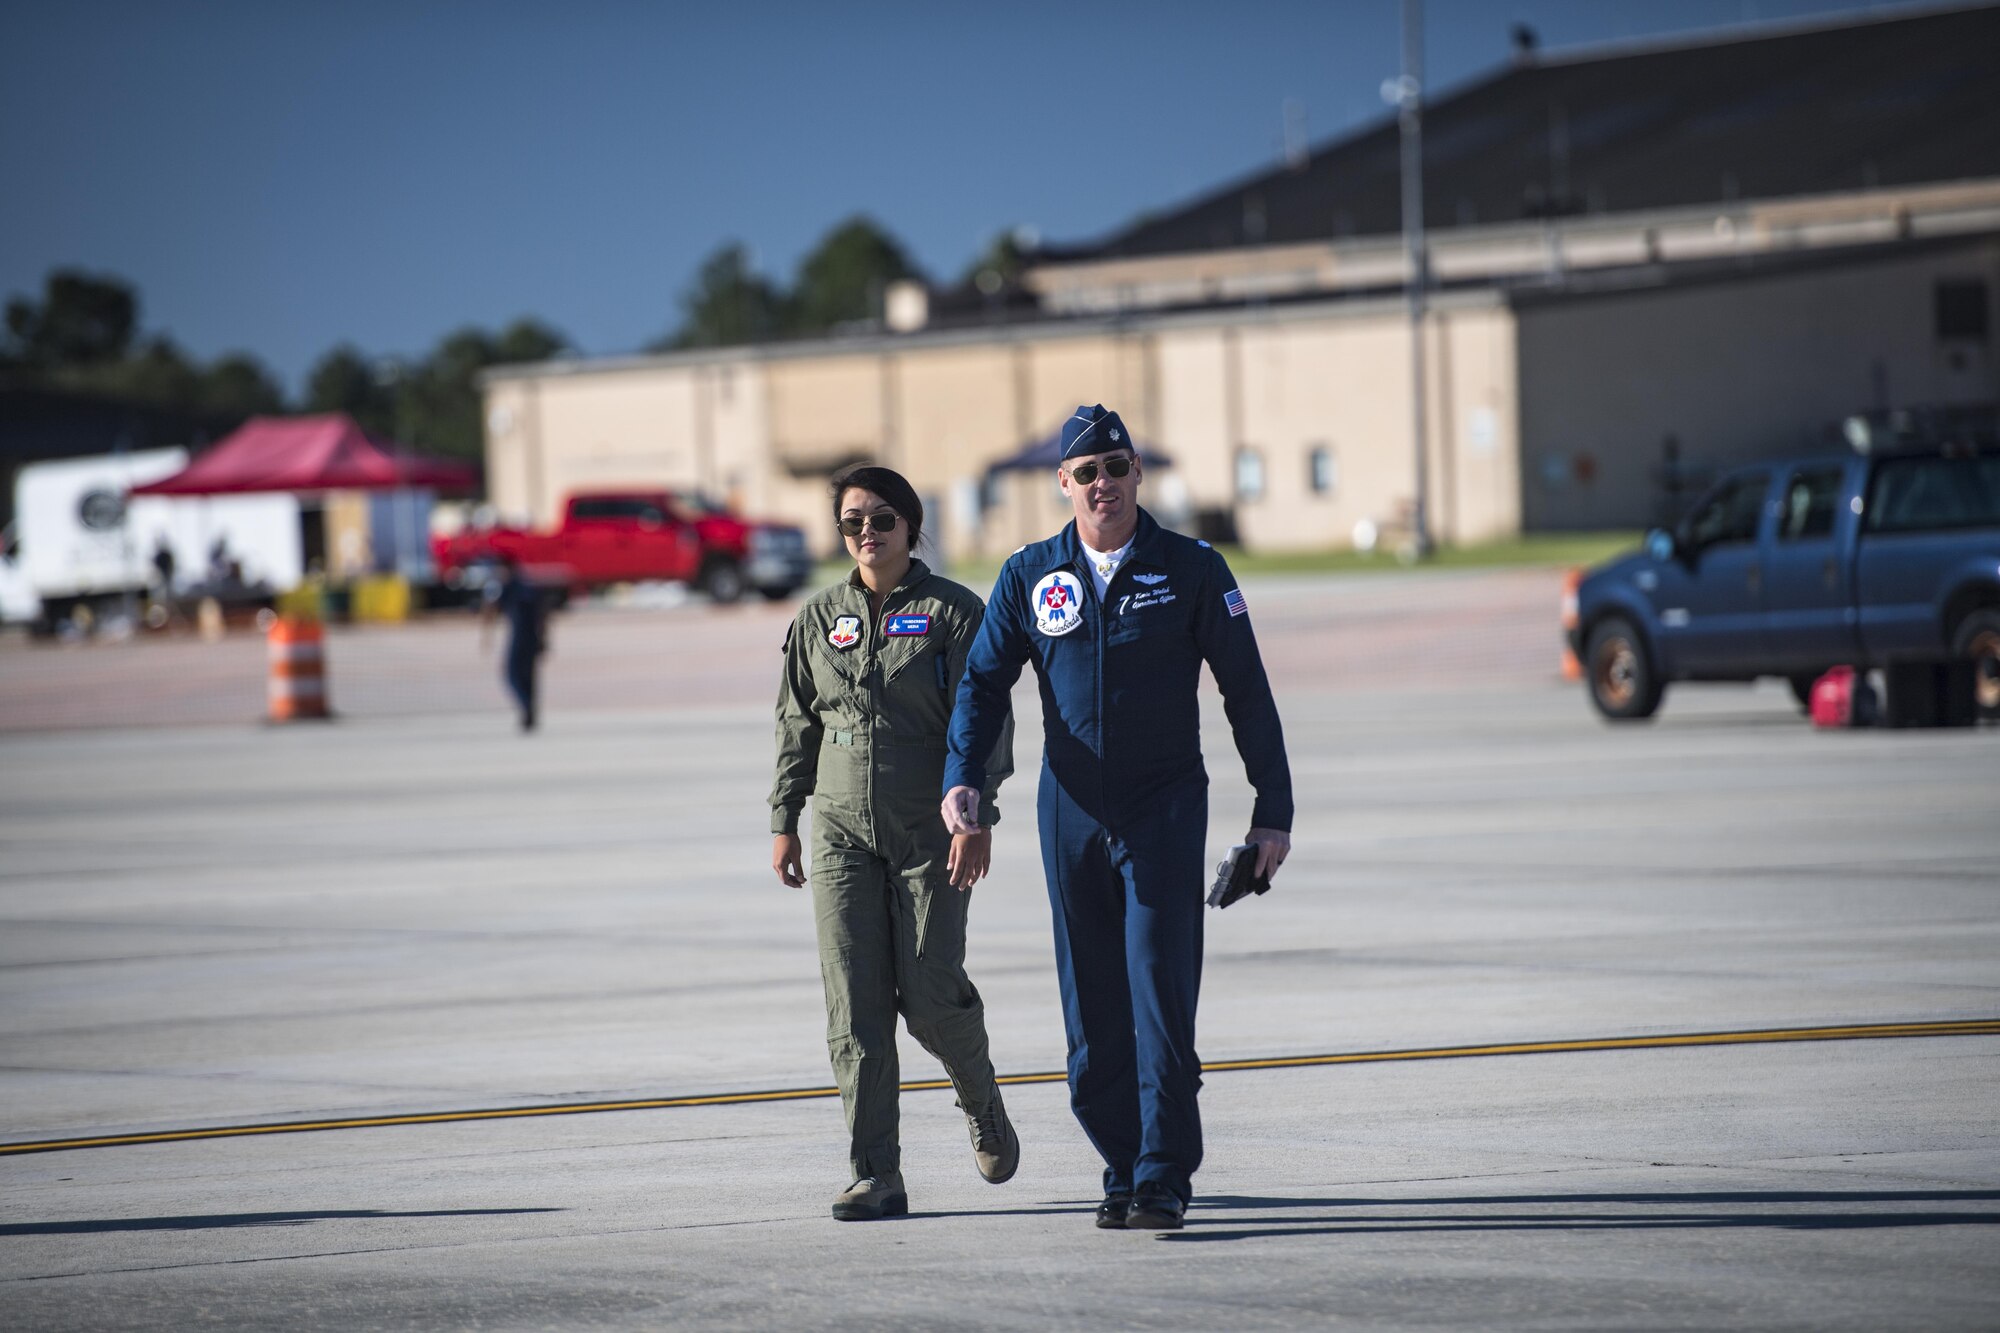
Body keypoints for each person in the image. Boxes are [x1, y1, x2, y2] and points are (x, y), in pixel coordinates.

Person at [942, 404, 1292, 1232]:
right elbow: (982, 685)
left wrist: (1271, 812)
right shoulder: (1030, 575)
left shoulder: (1194, 569)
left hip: (1165, 805)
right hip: (1069, 812)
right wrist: (962, 778)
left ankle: (1164, 1171)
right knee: (1092, 1010)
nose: (1105, 483)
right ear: (1062, 483)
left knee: (1159, 991)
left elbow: (1247, 691)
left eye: (1118, 466)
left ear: (1140, 474)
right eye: (1087, 471)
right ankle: (1122, 1161)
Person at [770, 463, 1020, 1222]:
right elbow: (796, 721)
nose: (867, 534)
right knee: (856, 1009)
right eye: (852, 523)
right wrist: (786, 816)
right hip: (841, 830)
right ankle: (876, 1171)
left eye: (882, 519)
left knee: (932, 996)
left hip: (930, 829)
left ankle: (980, 1101)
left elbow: (986, 722)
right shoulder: (819, 617)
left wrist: (976, 815)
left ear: (912, 526)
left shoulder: (954, 613)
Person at [480, 555, 547, 731]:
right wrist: (544, 638)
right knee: (529, 677)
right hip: (533, 636)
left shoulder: (504, 586)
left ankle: (526, 707)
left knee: (512, 674)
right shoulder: (529, 585)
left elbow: (490, 608)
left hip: (519, 636)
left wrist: (487, 636)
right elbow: (543, 614)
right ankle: (530, 710)